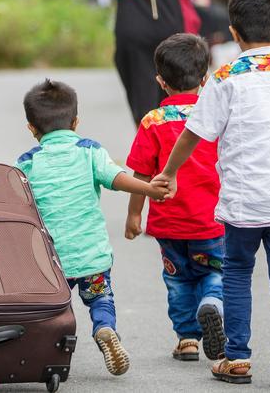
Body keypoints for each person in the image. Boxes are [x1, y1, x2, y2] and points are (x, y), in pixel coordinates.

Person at [154, 0, 270, 390]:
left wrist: (169, 172)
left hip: (243, 203)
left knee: (236, 273)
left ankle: (236, 358)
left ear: (233, 33)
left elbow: (193, 134)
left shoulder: (225, 77)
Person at [15, 79, 172, 376]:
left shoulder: (26, 163)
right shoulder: (89, 151)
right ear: (75, 122)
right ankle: (104, 328)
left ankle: (52, 352)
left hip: (48, 261)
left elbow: (9, 202)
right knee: (101, 298)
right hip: (90, 256)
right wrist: (149, 189)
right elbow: (117, 178)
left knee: (53, 309)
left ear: (31, 128)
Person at [124, 33, 225, 363]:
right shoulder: (216, 118)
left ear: (160, 81)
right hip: (212, 221)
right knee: (214, 272)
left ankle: (187, 340)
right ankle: (212, 302)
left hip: (168, 223)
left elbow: (140, 175)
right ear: (206, 77)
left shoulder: (153, 122)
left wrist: (134, 216)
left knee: (177, 278)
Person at [79, 0, 220, 124]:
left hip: (132, 14)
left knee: (143, 107)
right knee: (183, 101)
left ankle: (147, 148)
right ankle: (182, 150)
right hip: (175, 12)